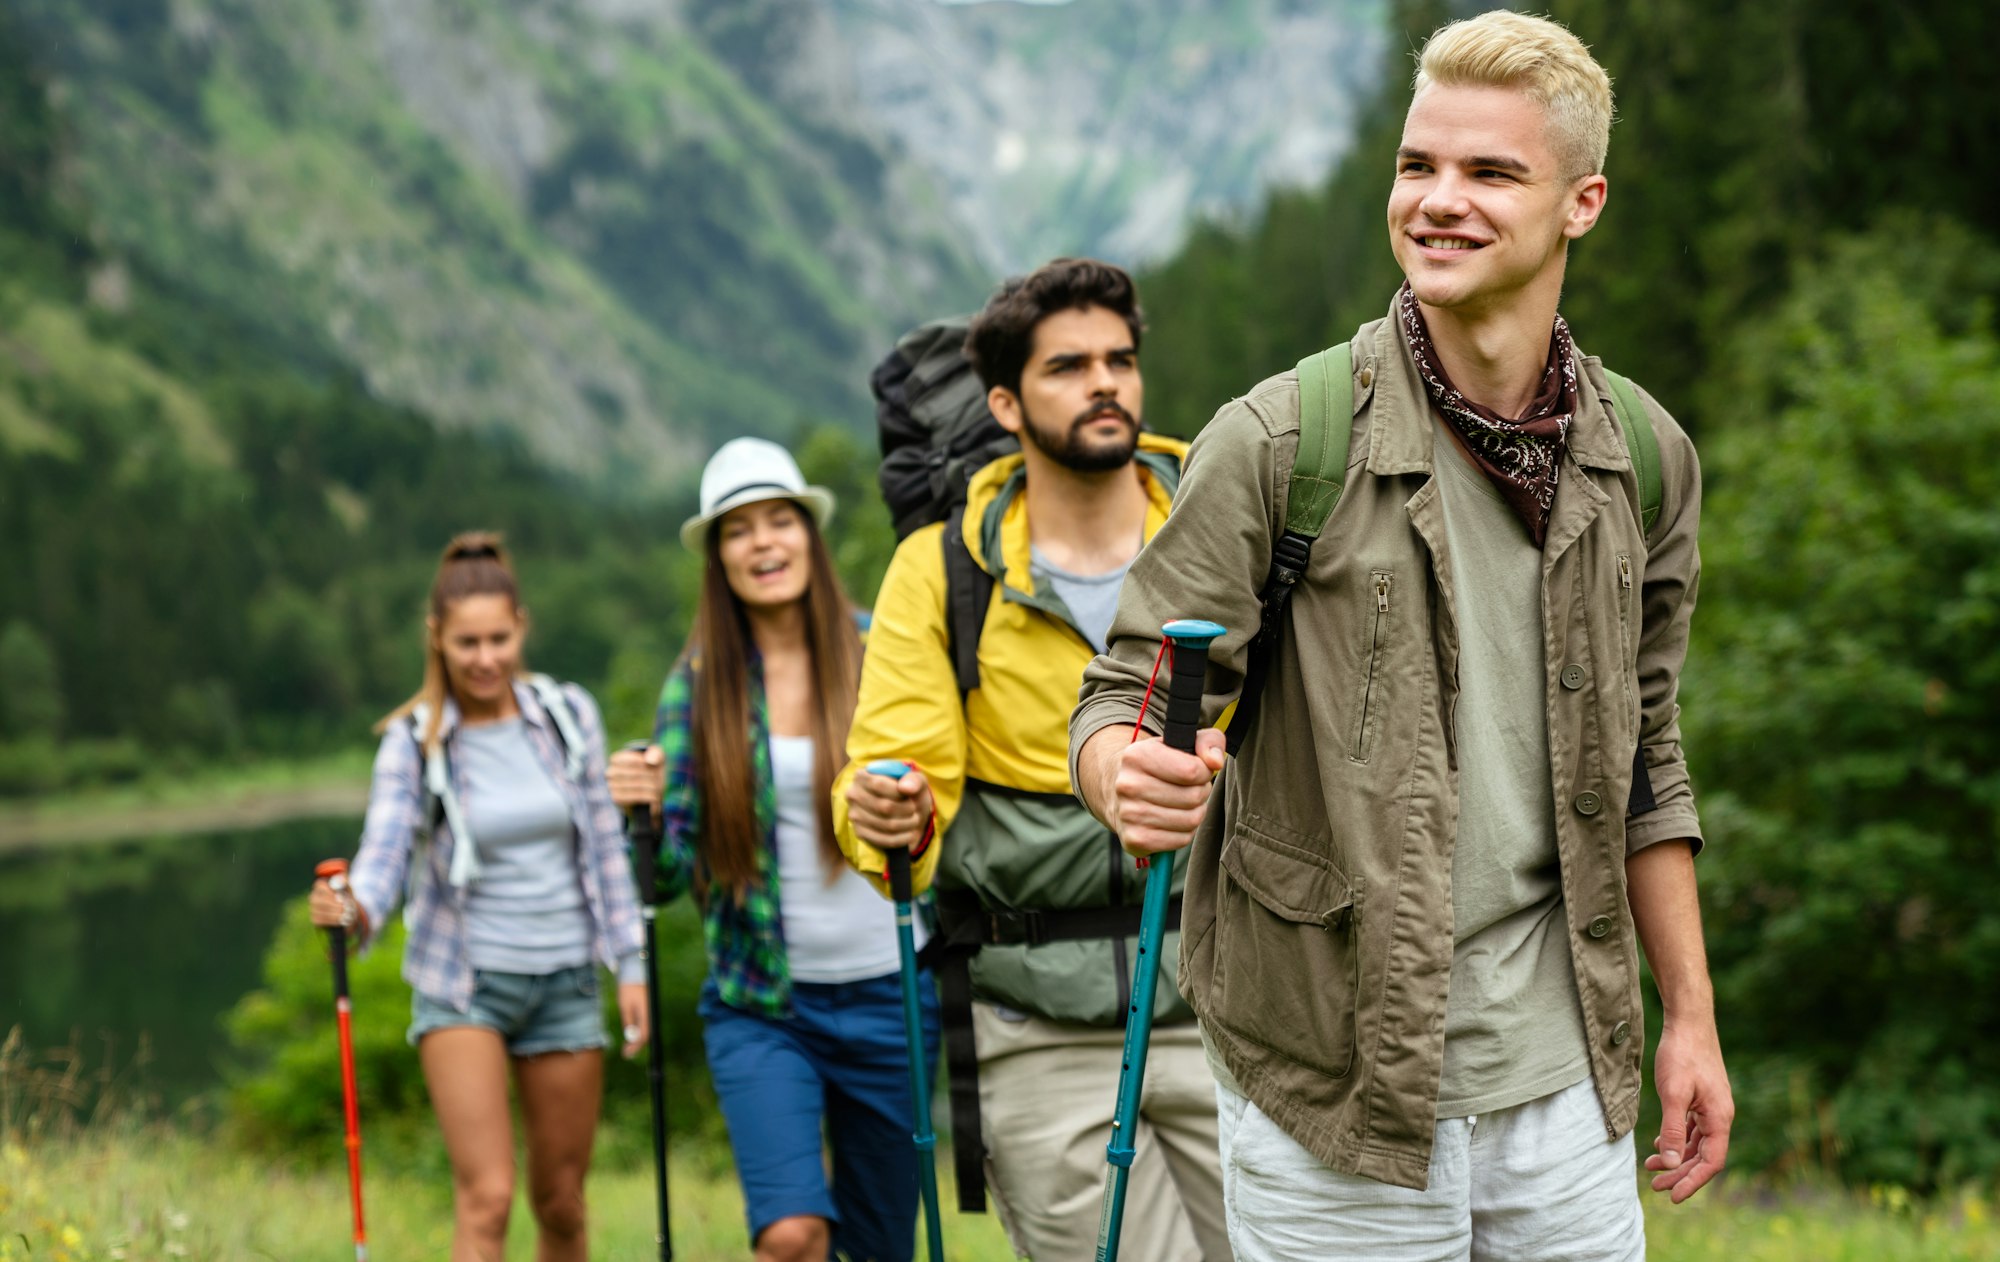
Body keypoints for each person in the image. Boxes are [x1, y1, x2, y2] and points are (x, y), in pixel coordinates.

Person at [1071, 12, 1734, 1260]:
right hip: (1328, 1084)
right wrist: (1124, 776)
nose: (1436, 200)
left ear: (1580, 203)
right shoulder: (1281, 443)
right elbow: (1120, 696)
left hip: (1564, 1087)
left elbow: (1646, 755)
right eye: (1415, 164)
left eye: (1488, 172)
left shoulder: (1642, 458)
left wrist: (1687, 1017)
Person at [837, 258, 1232, 1261]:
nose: (1104, 383)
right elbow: (894, 770)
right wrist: (887, 813)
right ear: (1005, 404)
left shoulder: (1226, 528)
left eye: (1119, 360)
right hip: (1037, 1028)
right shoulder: (943, 569)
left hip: (1235, 1007)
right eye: (1067, 366)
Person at [607, 437, 941, 1262]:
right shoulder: (697, 684)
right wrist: (638, 813)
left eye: (780, 521)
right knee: (792, 1236)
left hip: (892, 994)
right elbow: (664, 877)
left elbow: (942, 793)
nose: (763, 543)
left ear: (809, 535)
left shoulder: (881, 650)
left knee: (882, 1249)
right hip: (761, 1005)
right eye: (739, 529)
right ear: (718, 557)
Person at [307, 532, 647, 1262]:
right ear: (436, 637)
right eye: (467, 643)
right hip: (465, 984)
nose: (485, 658)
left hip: (567, 979)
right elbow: (384, 856)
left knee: (562, 1203)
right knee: (487, 1197)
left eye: (498, 639)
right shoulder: (413, 740)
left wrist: (632, 964)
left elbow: (604, 845)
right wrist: (352, 908)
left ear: (521, 626)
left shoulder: (568, 715)